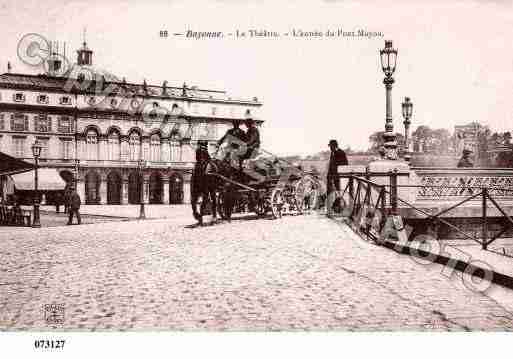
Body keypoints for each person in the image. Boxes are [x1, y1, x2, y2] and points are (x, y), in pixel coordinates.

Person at [327, 139, 348, 213]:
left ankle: (338, 208)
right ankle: (334, 207)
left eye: (330, 146)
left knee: (339, 192)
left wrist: (337, 174)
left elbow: (344, 165)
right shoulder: (333, 153)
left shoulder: (341, 153)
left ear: (334, 146)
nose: (330, 148)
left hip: (339, 177)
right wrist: (329, 175)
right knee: (335, 192)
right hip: (333, 176)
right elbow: (331, 165)